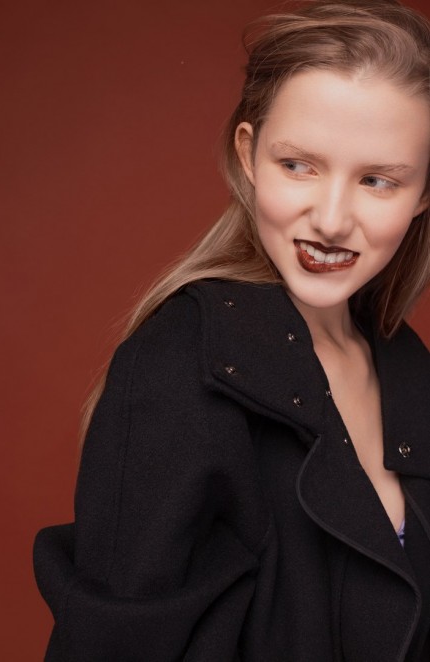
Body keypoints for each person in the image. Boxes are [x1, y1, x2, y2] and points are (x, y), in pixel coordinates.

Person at [34, 0, 430, 659]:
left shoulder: (406, 366)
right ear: (247, 154)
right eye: (297, 165)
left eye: (377, 180)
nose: (332, 219)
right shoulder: (178, 366)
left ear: (423, 193)